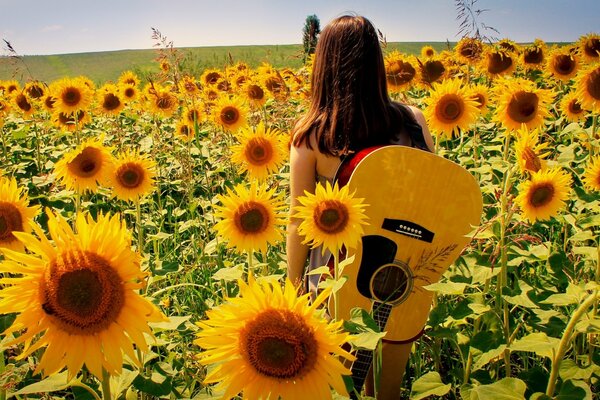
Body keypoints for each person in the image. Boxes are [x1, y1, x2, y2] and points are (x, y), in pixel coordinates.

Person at [285, 14, 435, 400]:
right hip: (404, 270)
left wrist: (294, 283)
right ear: (376, 62)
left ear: (323, 65)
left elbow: (298, 221)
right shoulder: (412, 121)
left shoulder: (312, 135)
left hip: (339, 277)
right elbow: (437, 194)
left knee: (346, 386)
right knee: (388, 389)